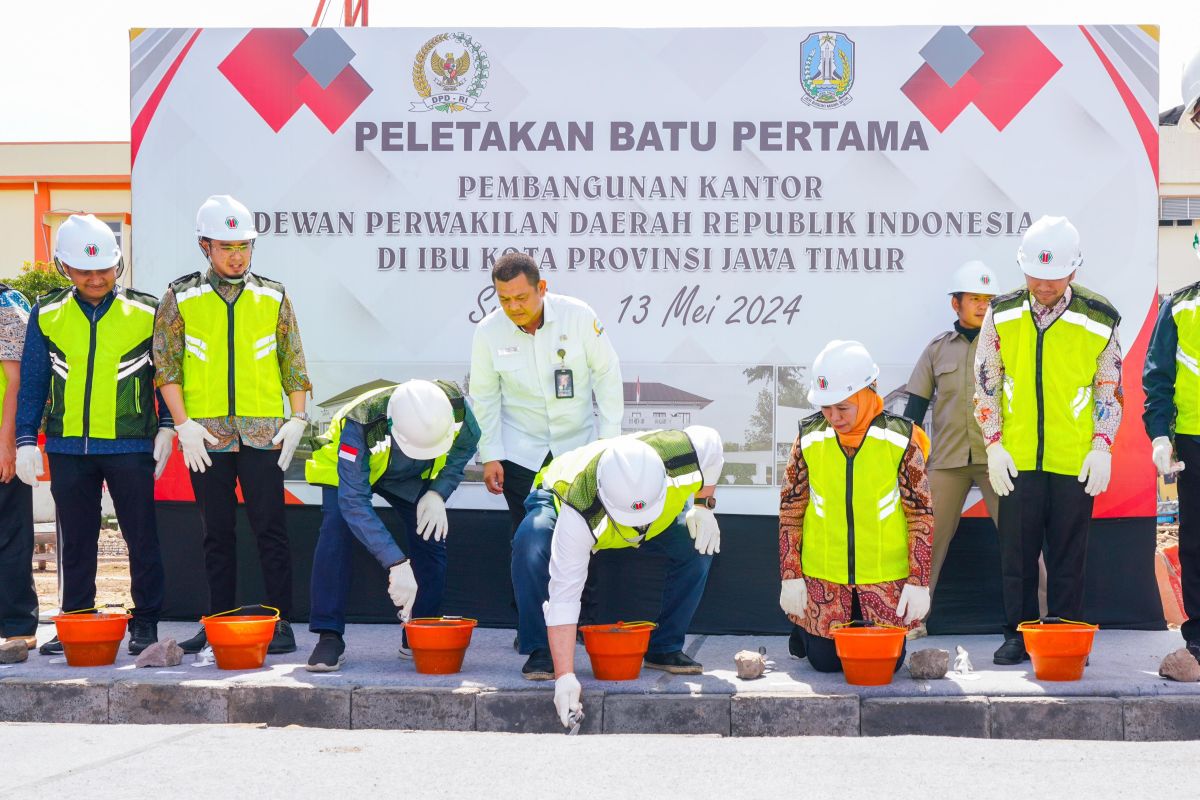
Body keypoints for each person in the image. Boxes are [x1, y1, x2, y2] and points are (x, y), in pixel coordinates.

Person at [154, 195, 312, 655]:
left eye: (244, 245)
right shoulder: (180, 295)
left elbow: (293, 361)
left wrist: (298, 417)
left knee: (271, 530)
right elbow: (166, 366)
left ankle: (279, 623)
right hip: (205, 437)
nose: (237, 255)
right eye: (226, 246)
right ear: (205, 245)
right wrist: (181, 424)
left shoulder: (274, 294)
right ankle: (217, 622)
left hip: (265, 433)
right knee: (215, 533)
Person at [15, 214, 175, 656]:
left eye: (104, 268)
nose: (95, 277)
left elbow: (168, 375)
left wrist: (166, 428)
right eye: (84, 270)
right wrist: (26, 439)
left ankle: (145, 623)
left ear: (118, 265)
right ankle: (78, 622)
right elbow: (32, 381)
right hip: (67, 447)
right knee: (78, 541)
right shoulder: (47, 313)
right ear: (64, 267)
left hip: (131, 444)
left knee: (141, 537)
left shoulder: (146, 310)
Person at [974, 215, 1122, 665]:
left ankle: (1063, 634)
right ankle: (1017, 635)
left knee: (1067, 554)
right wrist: (994, 443)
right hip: (1016, 457)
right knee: (1016, 555)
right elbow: (987, 382)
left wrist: (1102, 445)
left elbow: (1108, 385)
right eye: (1035, 276)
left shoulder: (1099, 317)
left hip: (1073, 458)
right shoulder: (1002, 313)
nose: (1042, 286)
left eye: (1053, 278)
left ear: (1074, 271)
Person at [511, 428, 722, 726]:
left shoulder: (687, 452)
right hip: (557, 496)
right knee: (530, 543)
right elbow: (564, 596)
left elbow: (714, 448)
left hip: (656, 514)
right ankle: (541, 648)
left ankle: (664, 648)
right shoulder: (578, 508)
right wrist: (565, 677)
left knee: (699, 546)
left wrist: (702, 506)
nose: (637, 527)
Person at [302, 379, 479, 671]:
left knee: (430, 536)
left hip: (410, 475)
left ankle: (420, 629)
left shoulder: (455, 407)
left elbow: (467, 444)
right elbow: (353, 502)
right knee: (335, 531)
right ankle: (329, 635)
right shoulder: (360, 422)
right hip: (350, 471)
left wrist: (438, 492)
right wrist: (395, 563)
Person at [778, 340, 933, 673]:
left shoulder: (902, 439)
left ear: (868, 392)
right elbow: (791, 509)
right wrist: (791, 576)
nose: (834, 417)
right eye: (826, 408)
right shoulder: (808, 437)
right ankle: (806, 629)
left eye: (843, 407)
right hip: (824, 578)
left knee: (885, 663)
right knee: (824, 662)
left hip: (884, 581)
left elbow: (920, 514)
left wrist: (918, 581)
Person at [469, 252, 623, 532]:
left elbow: (607, 372)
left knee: (585, 534)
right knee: (528, 535)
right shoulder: (488, 332)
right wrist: (490, 453)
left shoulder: (578, 316)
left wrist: (608, 442)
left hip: (578, 449)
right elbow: (484, 396)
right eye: (504, 299)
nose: (513, 307)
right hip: (521, 453)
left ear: (541, 288)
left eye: (521, 298)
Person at [902, 261, 1000, 638]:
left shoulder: (1009, 346)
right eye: (974, 298)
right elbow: (914, 408)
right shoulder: (937, 350)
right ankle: (915, 619)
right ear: (955, 304)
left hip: (998, 457)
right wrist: (906, 460)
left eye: (989, 300)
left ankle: (1037, 619)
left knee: (1018, 539)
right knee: (929, 539)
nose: (982, 306)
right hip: (947, 459)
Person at [1144, 231, 1200, 662]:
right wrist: (1160, 435)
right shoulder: (1179, 307)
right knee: (1196, 541)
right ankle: (1198, 636)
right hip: (1195, 443)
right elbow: (1158, 378)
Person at [0, 278, 36, 651]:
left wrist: (7, 443)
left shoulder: (7, 304)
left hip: (0, 440)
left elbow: (16, 381)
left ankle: (17, 627)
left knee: (10, 536)